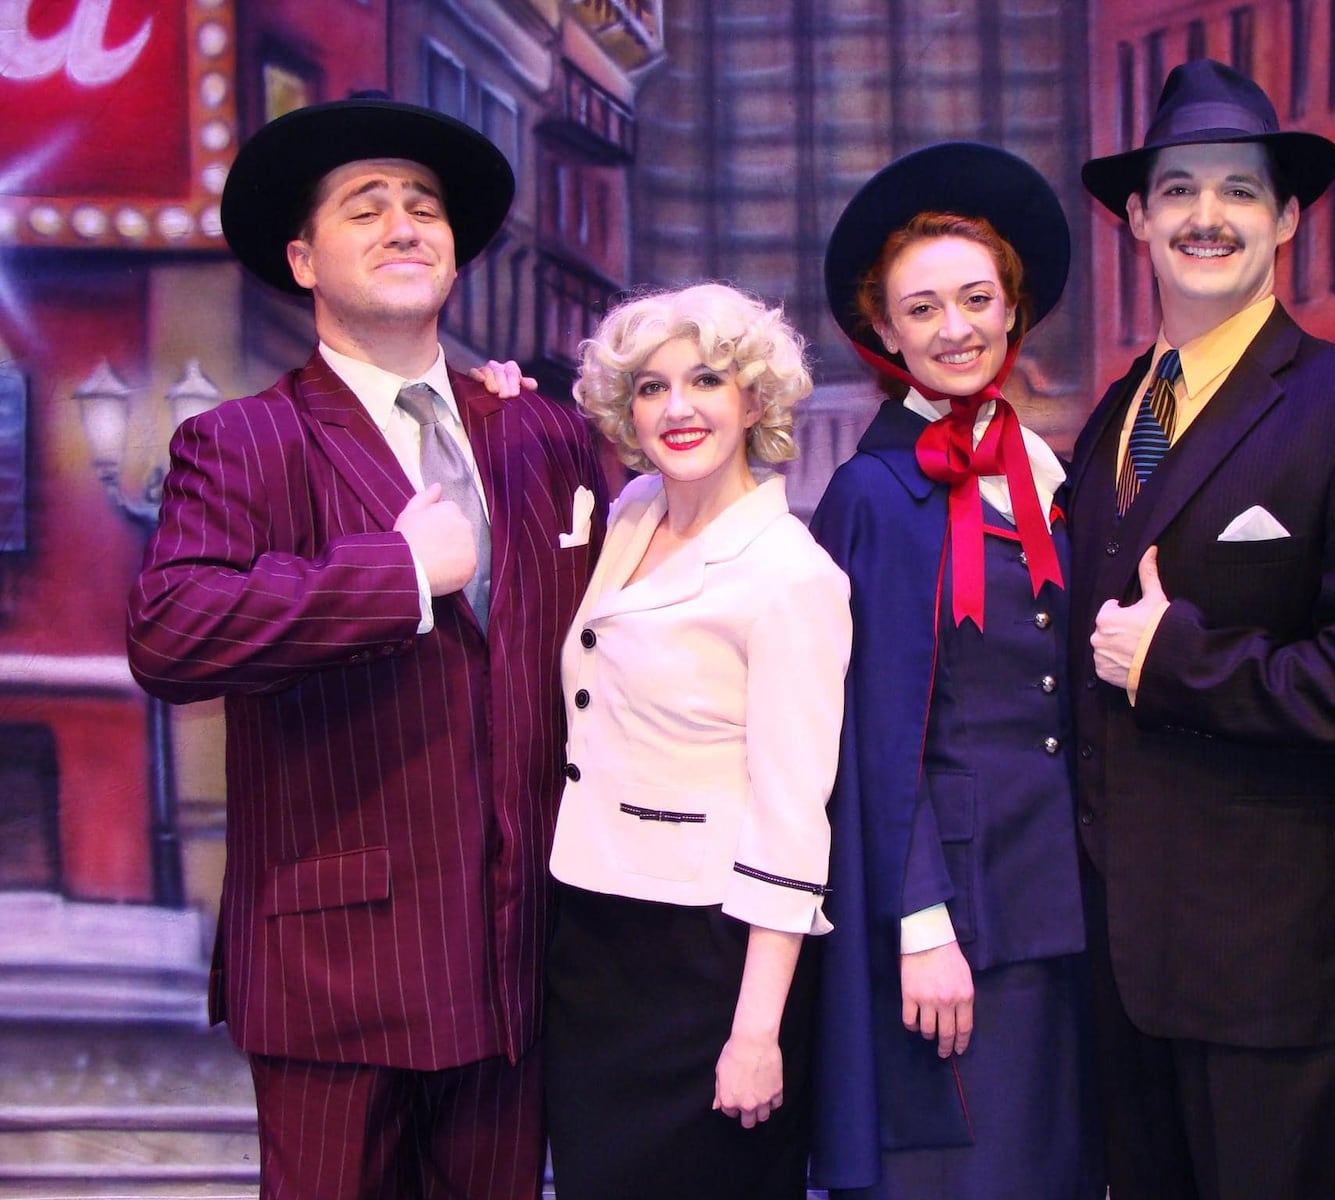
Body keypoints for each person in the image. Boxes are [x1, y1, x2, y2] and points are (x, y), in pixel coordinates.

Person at [125, 94, 608, 1198]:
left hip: (515, 966)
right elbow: (170, 633)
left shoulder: (539, 431)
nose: (405, 226)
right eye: (366, 208)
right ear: (302, 259)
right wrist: (392, 577)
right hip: (337, 969)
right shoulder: (241, 441)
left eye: (425, 209)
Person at [1070, 58, 1335, 1200]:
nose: (1207, 216)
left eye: (1239, 191)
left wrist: (1178, 660)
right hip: (1121, 964)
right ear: (1137, 218)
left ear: (1285, 219)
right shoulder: (1115, 412)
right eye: (1178, 189)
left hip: (1270, 975)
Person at [809, 143, 1102, 1199]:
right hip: (956, 922)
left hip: (1062, 906)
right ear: (883, 331)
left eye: (976, 299)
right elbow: (870, 736)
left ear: (1013, 309)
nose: (955, 329)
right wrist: (920, 923)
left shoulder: (1051, 473)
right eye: (922, 309)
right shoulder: (871, 494)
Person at [541, 282, 851, 1200]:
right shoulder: (633, 510)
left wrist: (757, 1032)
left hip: (711, 964)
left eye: (706, 379)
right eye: (650, 386)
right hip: (594, 946)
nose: (677, 408)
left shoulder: (793, 577)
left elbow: (794, 820)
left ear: (753, 399)